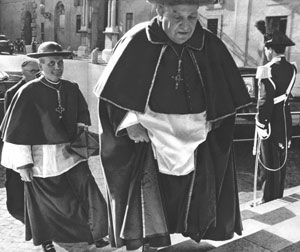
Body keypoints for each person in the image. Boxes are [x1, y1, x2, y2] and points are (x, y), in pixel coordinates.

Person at [94, 0, 251, 250]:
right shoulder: (137, 41)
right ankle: (149, 241)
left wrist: (214, 121)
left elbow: (225, 96)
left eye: (192, 17)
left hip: (197, 136)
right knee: (149, 196)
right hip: (148, 136)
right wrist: (130, 122)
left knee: (192, 193)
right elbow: (111, 95)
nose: (185, 25)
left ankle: (191, 229)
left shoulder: (209, 44)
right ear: (160, 11)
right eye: (177, 16)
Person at [0, 41, 108, 252]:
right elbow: (16, 133)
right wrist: (23, 164)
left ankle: (95, 233)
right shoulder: (28, 92)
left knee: (88, 192)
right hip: (42, 159)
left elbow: (80, 120)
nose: (57, 67)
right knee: (44, 205)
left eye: (60, 62)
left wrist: (80, 137)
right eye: (51, 63)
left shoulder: (71, 88)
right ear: (40, 65)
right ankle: (47, 240)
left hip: (71, 154)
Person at [255, 31, 297, 204]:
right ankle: (277, 195)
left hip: (271, 120)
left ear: (269, 48)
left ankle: (266, 199)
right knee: (281, 158)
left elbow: (264, 101)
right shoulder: (292, 68)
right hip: (285, 118)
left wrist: (261, 123)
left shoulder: (266, 70)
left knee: (268, 160)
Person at [3, 59, 40, 223]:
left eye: (38, 70)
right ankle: (19, 209)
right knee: (16, 178)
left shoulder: (41, 88)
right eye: (33, 72)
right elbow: (11, 124)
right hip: (19, 141)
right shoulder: (13, 92)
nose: (38, 74)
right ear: (23, 74)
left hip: (37, 141)